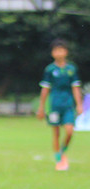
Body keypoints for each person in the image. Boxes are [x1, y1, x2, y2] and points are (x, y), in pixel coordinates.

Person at [36, 39, 83, 171]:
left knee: (69, 131)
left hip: (68, 105)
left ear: (66, 52)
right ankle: (58, 159)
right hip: (54, 106)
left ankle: (62, 151)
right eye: (56, 51)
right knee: (56, 132)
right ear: (52, 53)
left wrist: (79, 104)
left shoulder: (71, 69)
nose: (59, 53)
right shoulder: (50, 70)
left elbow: (75, 88)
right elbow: (45, 89)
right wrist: (41, 108)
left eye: (61, 50)